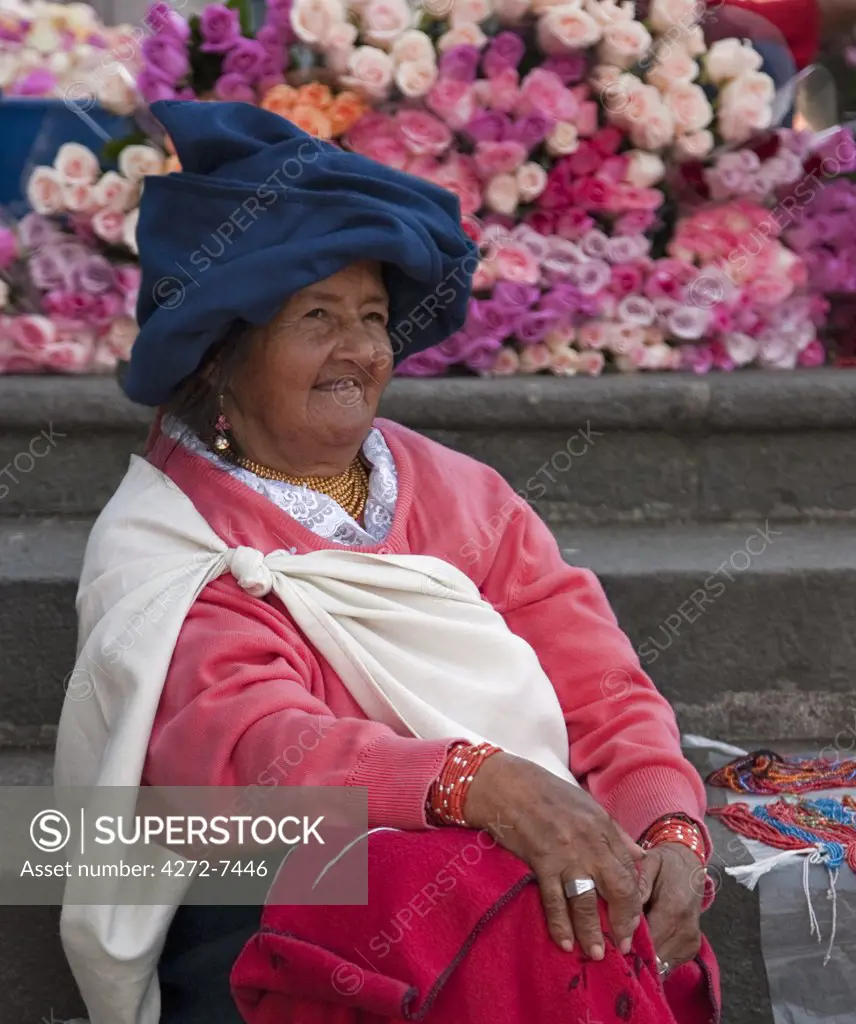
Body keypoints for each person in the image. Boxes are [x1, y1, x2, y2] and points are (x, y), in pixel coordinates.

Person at [55, 99, 718, 1024]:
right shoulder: (174, 542)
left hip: (523, 874)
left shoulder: (460, 494)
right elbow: (259, 755)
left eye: (373, 316)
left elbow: (602, 689)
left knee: (577, 889)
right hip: (278, 901)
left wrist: (668, 832)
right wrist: (481, 785)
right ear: (222, 355)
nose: (363, 350)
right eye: (317, 316)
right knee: (478, 885)